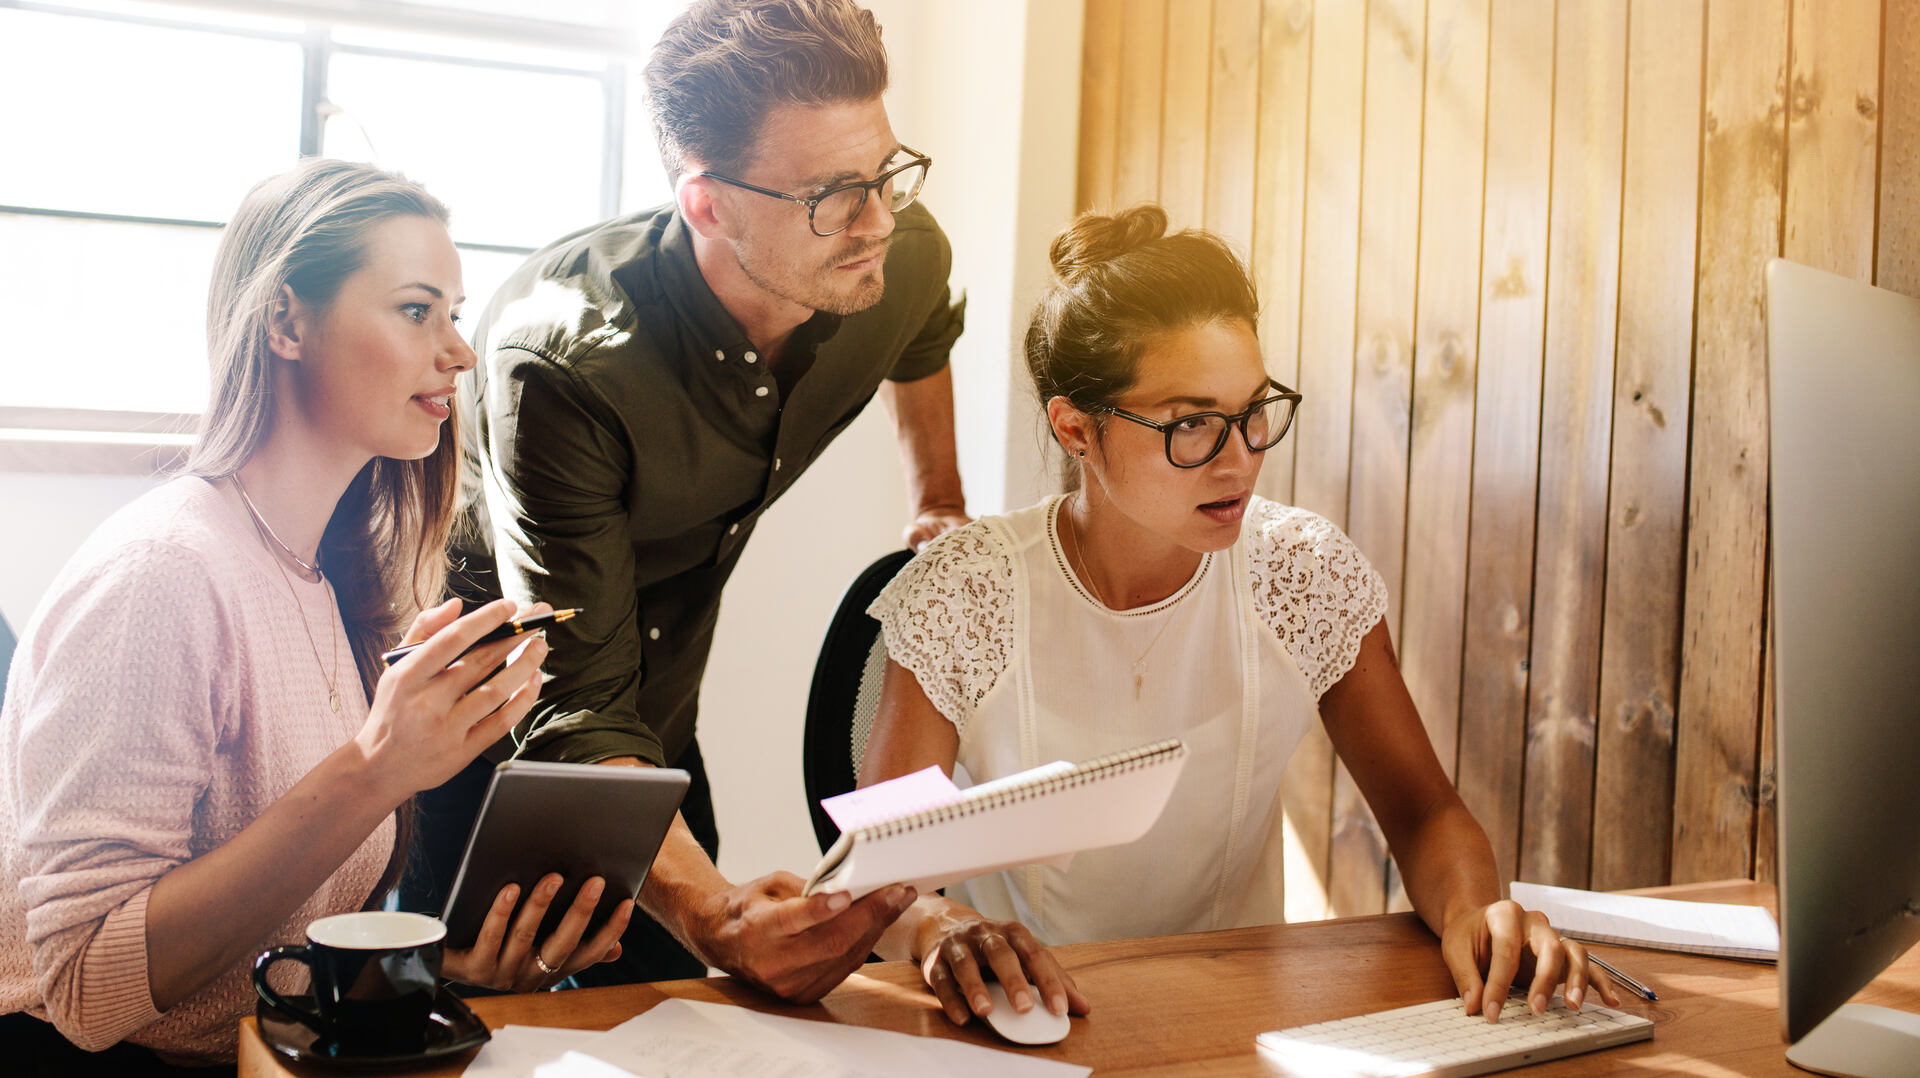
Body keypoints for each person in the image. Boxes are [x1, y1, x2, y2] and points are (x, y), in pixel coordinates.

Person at [857, 205, 1623, 1031]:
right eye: (1193, 425)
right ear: (1076, 427)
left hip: (1237, 1019)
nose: (1241, 458)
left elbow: (1425, 812)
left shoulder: (1304, 573)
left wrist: (1478, 910)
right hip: (1018, 1027)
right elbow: (878, 871)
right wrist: (939, 922)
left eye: (1254, 411)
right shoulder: (968, 590)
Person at [0, 159, 628, 1075]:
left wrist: (444, 969)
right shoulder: (160, 576)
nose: (457, 351)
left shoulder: (327, 579)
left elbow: (272, 936)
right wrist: (376, 769)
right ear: (287, 321)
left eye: (455, 313)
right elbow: (91, 990)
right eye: (417, 311)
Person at [434, 0, 966, 998]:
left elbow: (925, 326)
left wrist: (938, 495)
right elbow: (577, 702)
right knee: (471, 1036)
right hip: (487, 741)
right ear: (707, 202)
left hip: (661, 725)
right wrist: (713, 909)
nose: (879, 219)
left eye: (887, 172)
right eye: (833, 193)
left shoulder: (894, 256)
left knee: (695, 1022)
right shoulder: (561, 362)